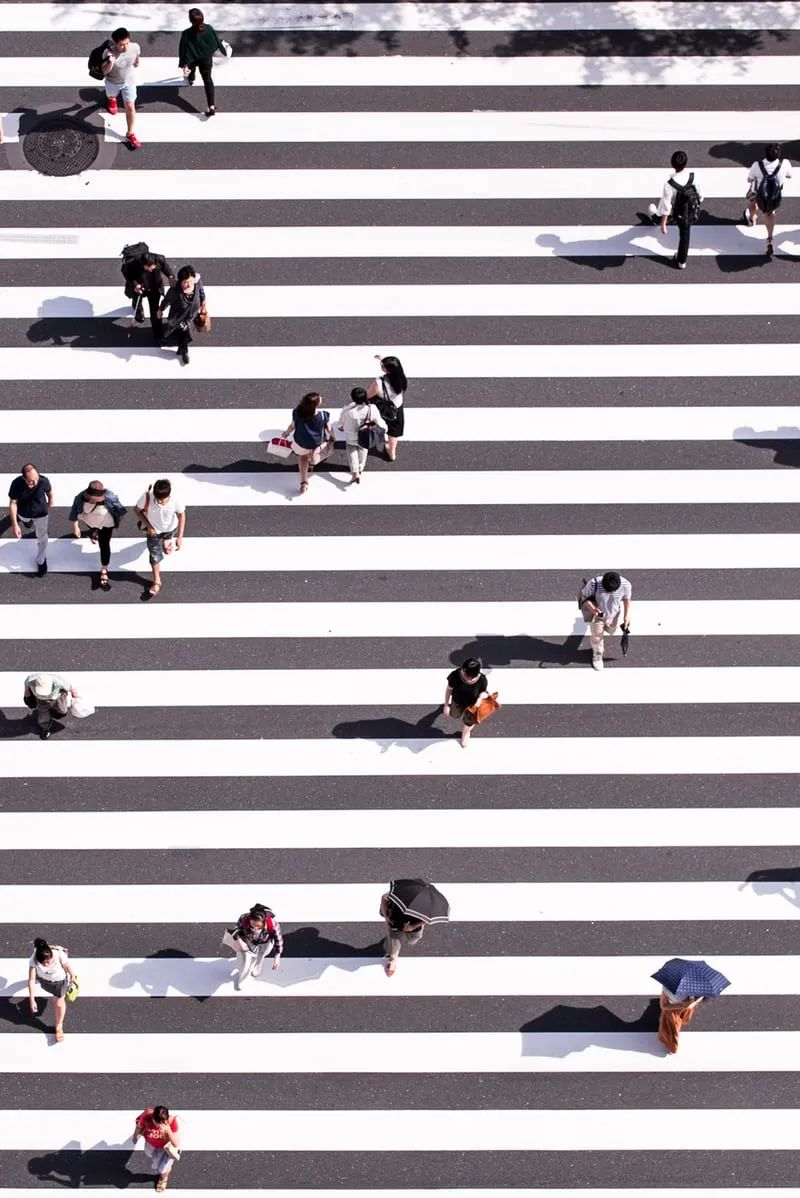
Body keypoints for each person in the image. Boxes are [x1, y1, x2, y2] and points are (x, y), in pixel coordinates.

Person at [648, 149, 701, 269]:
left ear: (672, 164)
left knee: (663, 216)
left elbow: (667, 205)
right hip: (690, 211)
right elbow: (700, 194)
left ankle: (655, 218)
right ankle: (681, 261)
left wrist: (663, 223)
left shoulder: (670, 184)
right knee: (685, 235)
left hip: (677, 212)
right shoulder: (693, 177)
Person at [69, 480, 126, 592]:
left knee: (104, 544)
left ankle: (104, 568)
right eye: (97, 499)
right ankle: (94, 532)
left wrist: (118, 516)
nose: (101, 499)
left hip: (106, 524)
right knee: (93, 528)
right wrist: (75, 526)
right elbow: (74, 511)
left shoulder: (110, 496)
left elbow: (121, 510)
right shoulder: (80, 498)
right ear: (89, 496)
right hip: (90, 521)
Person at [134, 479, 186, 599]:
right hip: (154, 532)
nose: (158, 501)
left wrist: (180, 537)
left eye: (161, 500)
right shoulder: (148, 497)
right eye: (157, 498)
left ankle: (167, 542)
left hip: (171, 528)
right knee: (154, 555)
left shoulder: (175, 500)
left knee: (167, 539)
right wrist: (149, 526)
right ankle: (157, 581)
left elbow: (182, 515)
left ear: (168, 495)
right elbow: (137, 510)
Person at [744, 143, 793, 257]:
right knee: (769, 213)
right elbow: (790, 176)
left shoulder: (757, 165)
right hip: (774, 195)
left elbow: (749, 179)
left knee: (751, 203)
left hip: (757, 193)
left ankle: (751, 219)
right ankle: (770, 239)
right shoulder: (785, 163)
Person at [282, 391, 335, 494]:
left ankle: (304, 482)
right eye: (319, 398)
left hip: (301, 442)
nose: (321, 398)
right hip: (317, 442)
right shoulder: (323, 416)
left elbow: (292, 426)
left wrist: (286, 433)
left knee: (303, 457)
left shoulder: (297, 412)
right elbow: (329, 428)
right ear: (316, 404)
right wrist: (333, 437)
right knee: (314, 454)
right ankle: (311, 463)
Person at [579, 570, 632, 671]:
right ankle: (597, 654)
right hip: (598, 615)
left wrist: (626, 615)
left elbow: (627, 599)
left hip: (614, 615)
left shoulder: (626, 585)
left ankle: (605, 629)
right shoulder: (594, 583)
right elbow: (584, 597)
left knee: (611, 630)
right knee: (597, 635)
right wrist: (593, 609)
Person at [27, 937, 77, 1043]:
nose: (47, 964)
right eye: (43, 963)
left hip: (59, 982)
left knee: (58, 1003)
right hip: (44, 981)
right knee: (56, 1000)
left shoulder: (59, 955)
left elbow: (67, 966)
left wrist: (72, 975)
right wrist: (32, 999)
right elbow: (31, 979)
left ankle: (59, 1026)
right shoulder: (34, 959)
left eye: (49, 961)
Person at [179, 7, 225, 117]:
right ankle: (211, 105)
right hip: (206, 59)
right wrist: (222, 49)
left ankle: (191, 78)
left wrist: (184, 64)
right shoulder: (209, 28)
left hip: (193, 59)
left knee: (192, 69)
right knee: (208, 80)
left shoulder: (186, 34)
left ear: (190, 20)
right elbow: (215, 42)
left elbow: (183, 50)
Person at [100, 27, 142, 150]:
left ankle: (130, 133)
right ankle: (111, 100)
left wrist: (137, 62)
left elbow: (137, 56)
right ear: (115, 43)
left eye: (127, 43)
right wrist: (110, 62)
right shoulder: (108, 53)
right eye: (121, 45)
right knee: (111, 96)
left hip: (129, 82)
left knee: (130, 106)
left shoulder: (135, 47)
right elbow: (104, 72)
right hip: (113, 82)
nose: (125, 47)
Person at [8, 462, 53, 577]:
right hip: (24, 513)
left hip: (41, 513)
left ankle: (41, 560)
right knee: (26, 523)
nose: (34, 482)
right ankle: (26, 523)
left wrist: (51, 500)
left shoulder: (43, 481)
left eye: (36, 479)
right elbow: (13, 503)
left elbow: (49, 491)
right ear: (24, 478)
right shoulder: (16, 484)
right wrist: (14, 525)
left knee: (43, 537)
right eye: (30, 481)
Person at [122, 250, 176, 342]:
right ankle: (137, 308)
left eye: (153, 267)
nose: (151, 269)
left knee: (155, 310)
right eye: (148, 268)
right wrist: (135, 284)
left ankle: (158, 334)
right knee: (137, 300)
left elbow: (166, 269)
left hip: (155, 288)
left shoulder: (160, 259)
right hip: (140, 286)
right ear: (143, 264)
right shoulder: (133, 263)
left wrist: (170, 276)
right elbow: (127, 274)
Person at [157, 265, 207, 365]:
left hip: (190, 315)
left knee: (181, 331)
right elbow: (166, 301)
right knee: (183, 333)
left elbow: (201, 292)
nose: (188, 285)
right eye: (185, 282)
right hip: (178, 316)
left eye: (190, 281)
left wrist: (203, 303)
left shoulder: (197, 284)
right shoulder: (175, 291)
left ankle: (179, 346)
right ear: (180, 282)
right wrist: (160, 310)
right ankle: (184, 351)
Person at [338, 385, 387, 484]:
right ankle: (360, 468)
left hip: (351, 436)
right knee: (363, 450)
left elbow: (341, 424)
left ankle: (355, 472)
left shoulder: (347, 410)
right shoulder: (371, 409)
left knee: (352, 451)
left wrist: (341, 427)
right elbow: (380, 423)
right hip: (365, 436)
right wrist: (384, 430)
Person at [229, 902, 283, 990]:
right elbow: (235, 929)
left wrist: (277, 957)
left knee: (262, 954)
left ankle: (259, 963)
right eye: (253, 924)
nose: (255, 928)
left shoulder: (273, 925)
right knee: (246, 960)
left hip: (266, 942)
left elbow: (279, 940)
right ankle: (242, 979)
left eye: (258, 925)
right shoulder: (244, 918)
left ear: (264, 921)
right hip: (249, 940)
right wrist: (240, 941)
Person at [366, 354, 407, 461]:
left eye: (383, 366)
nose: (381, 366)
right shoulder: (401, 378)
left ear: (386, 370)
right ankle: (391, 452)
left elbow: (369, 395)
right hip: (396, 407)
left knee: (375, 423)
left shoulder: (379, 382)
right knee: (393, 431)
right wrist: (383, 359)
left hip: (381, 408)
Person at [132, 1106, 182, 1192]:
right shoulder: (147, 1116)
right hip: (151, 1144)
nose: (158, 1125)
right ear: (153, 1117)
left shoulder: (171, 1122)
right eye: (156, 1122)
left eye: (161, 1123)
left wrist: (168, 1130)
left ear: (166, 1120)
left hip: (166, 1149)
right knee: (150, 1155)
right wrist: (135, 1136)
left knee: (162, 1169)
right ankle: (165, 1168)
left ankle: (163, 1178)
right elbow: (139, 1126)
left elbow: (176, 1143)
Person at [443, 657, 489, 749]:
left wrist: (480, 698)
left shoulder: (482, 679)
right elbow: (449, 690)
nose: (469, 680)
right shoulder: (455, 675)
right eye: (466, 676)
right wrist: (446, 705)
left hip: (473, 704)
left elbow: (484, 692)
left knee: (470, 720)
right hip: (457, 701)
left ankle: (466, 732)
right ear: (463, 671)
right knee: (455, 715)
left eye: (473, 677)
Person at [380, 891, 424, 976]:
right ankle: (393, 959)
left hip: (414, 924)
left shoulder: (424, 904)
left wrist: (413, 927)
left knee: (412, 941)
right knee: (393, 938)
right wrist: (386, 917)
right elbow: (384, 897)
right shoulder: (398, 894)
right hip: (396, 921)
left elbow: (427, 919)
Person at [23, 672, 77, 739]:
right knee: (43, 716)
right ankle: (45, 728)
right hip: (41, 700)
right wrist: (27, 695)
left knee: (62, 711)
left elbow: (71, 688)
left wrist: (76, 698)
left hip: (58, 697)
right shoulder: (30, 680)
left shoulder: (59, 681)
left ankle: (55, 713)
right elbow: (27, 687)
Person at [658, 987, 703, 1054]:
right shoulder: (697, 986)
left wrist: (685, 1005)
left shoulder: (668, 987)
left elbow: (664, 1005)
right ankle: (672, 1046)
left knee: (671, 1030)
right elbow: (700, 997)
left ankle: (671, 1046)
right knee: (674, 1027)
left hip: (674, 1009)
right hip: (680, 1009)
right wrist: (691, 1004)